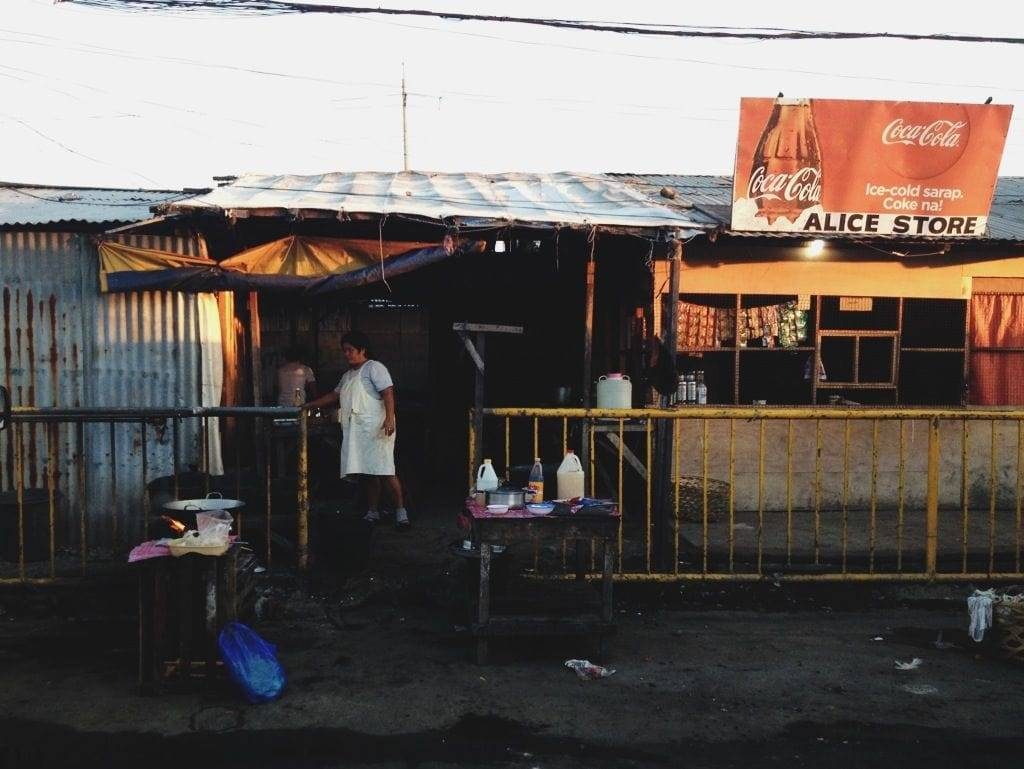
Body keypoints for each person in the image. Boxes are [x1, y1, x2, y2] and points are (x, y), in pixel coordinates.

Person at [304, 331, 410, 530]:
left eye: (350, 350)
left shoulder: (374, 368)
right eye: (344, 351)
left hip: (377, 429)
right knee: (367, 472)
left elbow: (387, 392)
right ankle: (372, 511)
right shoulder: (348, 375)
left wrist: (389, 418)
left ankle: (401, 512)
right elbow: (333, 396)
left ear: (362, 350)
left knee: (385, 470)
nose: (347, 354)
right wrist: (308, 405)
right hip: (358, 432)